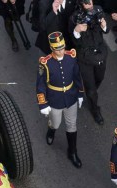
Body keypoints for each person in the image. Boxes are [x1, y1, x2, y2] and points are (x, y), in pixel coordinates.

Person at [36, 32, 85, 168]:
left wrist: (80, 93)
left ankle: (72, 152)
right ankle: (51, 130)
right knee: (56, 123)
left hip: (70, 97)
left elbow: (77, 76)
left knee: (72, 125)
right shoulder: (45, 63)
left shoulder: (71, 57)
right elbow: (41, 85)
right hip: (54, 99)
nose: (61, 51)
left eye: (62, 47)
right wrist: (43, 104)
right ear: (52, 49)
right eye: (57, 49)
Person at [70, 0, 109, 124]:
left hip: (100, 55)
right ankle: (94, 108)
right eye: (87, 4)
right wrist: (77, 31)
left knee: (100, 78)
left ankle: (91, 93)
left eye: (91, 2)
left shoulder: (98, 9)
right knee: (91, 88)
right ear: (81, 4)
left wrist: (104, 26)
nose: (90, 5)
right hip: (85, 58)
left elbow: (105, 30)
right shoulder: (75, 17)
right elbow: (74, 41)